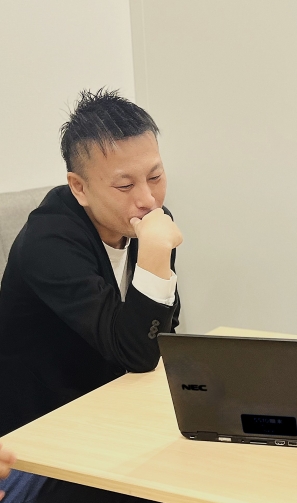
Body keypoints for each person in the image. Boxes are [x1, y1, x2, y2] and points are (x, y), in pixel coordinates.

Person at [0, 89, 181, 502]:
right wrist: (156, 255)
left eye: (155, 177)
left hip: (110, 418)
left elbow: (162, 336)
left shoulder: (148, 222)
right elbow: (138, 353)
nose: (148, 199)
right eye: (125, 185)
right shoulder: (48, 242)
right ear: (79, 187)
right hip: (38, 447)